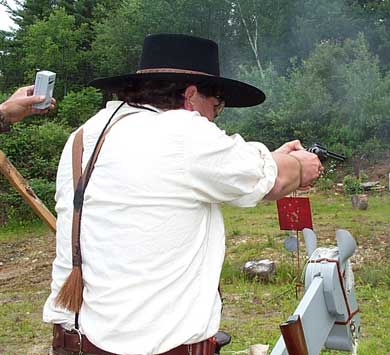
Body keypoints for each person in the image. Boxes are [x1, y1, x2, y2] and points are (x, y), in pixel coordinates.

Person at [44, 33, 323, 355]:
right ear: (190, 96)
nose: (214, 118)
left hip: (73, 340)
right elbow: (273, 182)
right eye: (216, 107)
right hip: (149, 345)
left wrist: (270, 161)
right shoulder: (183, 131)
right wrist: (300, 166)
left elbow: (193, 172)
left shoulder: (85, 133)